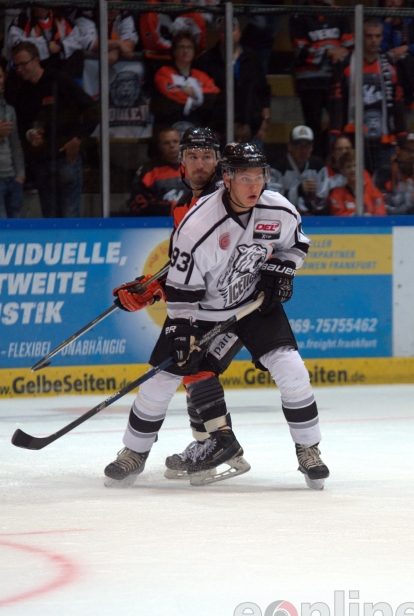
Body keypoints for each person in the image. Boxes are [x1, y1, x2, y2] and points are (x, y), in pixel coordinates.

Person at [105, 142, 330, 491]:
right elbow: (181, 287)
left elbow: (297, 245)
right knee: (160, 380)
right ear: (227, 178)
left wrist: (282, 269)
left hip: (253, 305)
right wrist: (181, 328)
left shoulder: (278, 209)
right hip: (203, 311)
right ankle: (134, 452)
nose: (254, 186)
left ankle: (308, 449)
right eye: (245, 178)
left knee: (291, 368)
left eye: (259, 177)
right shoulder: (198, 225)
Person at [112, 127, 246, 483]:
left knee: (194, 369)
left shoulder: (232, 199)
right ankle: (140, 452)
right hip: (195, 309)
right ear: (181, 163)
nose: (200, 164)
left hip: (237, 309)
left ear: (218, 162)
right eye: (192, 156)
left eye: (207, 156)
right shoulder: (183, 207)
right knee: (164, 376)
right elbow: (182, 265)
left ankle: (221, 444)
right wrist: (152, 287)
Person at [8, 42, 98, 218]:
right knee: (50, 219)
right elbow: (22, 126)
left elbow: (92, 109)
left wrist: (78, 139)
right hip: (42, 162)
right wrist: (29, 135)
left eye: (23, 64)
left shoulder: (59, 80)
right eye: (16, 66)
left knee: (69, 217)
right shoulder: (22, 91)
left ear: (36, 60)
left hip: (66, 159)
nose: (19, 69)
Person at [329, 18, 407, 175]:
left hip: (384, 138)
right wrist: (335, 133)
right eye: (369, 36)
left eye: (377, 36)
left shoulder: (390, 64)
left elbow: (398, 101)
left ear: (382, 37)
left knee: (384, 183)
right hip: (354, 138)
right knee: (356, 181)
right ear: (361, 37)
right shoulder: (346, 62)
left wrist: (402, 135)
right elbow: (337, 102)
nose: (374, 40)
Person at [290, 0, 354, 157]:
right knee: (313, 125)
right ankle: (317, 162)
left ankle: (337, 159)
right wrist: (329, 53)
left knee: (341, 123)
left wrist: (342, 52)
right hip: (309, 82)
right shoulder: (298, 15)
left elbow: (350, 44)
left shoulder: (337, 13)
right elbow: (300, 49)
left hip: (336, 80)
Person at [194, 17, 271, 145]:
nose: (229, 34)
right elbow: (201, 100)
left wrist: (265, 121)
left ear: (240, 32)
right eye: (224, 31)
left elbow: (264, 89)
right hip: (220, 133)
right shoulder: (205, 62)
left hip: (252, 131)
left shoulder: (252, 57)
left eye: (233, 29)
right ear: (218, 34)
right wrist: (210, 127)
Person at [150, 30, 219, 128]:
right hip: (169, 124)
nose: (186, 51)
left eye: (189, 47)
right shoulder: (164, 72)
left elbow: (214, 92)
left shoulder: (201, 75)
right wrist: (197, 100)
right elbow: (172, 94)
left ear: (194, 52)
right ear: (174, 51)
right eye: (181, 47)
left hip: (195, 125)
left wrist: (192, 91)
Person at [129, 126, 190, 216]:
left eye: (175, 141)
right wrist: (172, 207)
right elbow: (139, 206)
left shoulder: (196, 168)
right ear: (160, 146)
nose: (172, 146)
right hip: (159, 222)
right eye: (166, 143)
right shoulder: (147, 170)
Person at [7, 5, 83, 77]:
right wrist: (46, 46)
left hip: (58, 65)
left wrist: (60, 45)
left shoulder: (60, 17)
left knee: (77, 55)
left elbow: (77, 39)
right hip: (33, 66)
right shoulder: (23, 19)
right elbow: (15, 42)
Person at [269, 125, 329, 216]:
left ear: (312, 147)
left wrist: (313, 197)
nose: (303, 151)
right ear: (290, 146)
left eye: (307, 146)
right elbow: (271, 199)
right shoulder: (277, 167)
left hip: (312, 219)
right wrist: (298, 191)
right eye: (298, 145)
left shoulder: (318, 166)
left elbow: (322, 199)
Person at [380, 0, 414, 108]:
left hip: (410, 70)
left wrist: (407, 48)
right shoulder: (377, 20)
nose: (392, 2)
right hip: (385, 67)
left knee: (405, 59)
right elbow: (379, 47)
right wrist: (386, 24)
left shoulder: (413, 20)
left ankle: (410, 98)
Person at [374, 132, 414, 214]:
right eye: (408, 150)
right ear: (398, 150)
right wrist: (410, 202)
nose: (412, 155)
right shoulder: (385, 172)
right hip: (393, 220)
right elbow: (383, 209)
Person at [0, 56, 25, 218]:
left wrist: (20, 175)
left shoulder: (8, 109)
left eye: (0, 76)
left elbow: (15, 144)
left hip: (12, 178)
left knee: (15, 227)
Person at [329, 150, 386, 216]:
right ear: (342, 171)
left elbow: (381, 214)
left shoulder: (374, 192)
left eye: (355, 166)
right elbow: (339, 215)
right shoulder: (336, 194)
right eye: (348, 167)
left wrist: (370, 218)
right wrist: (358, 217)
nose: (352, 169)